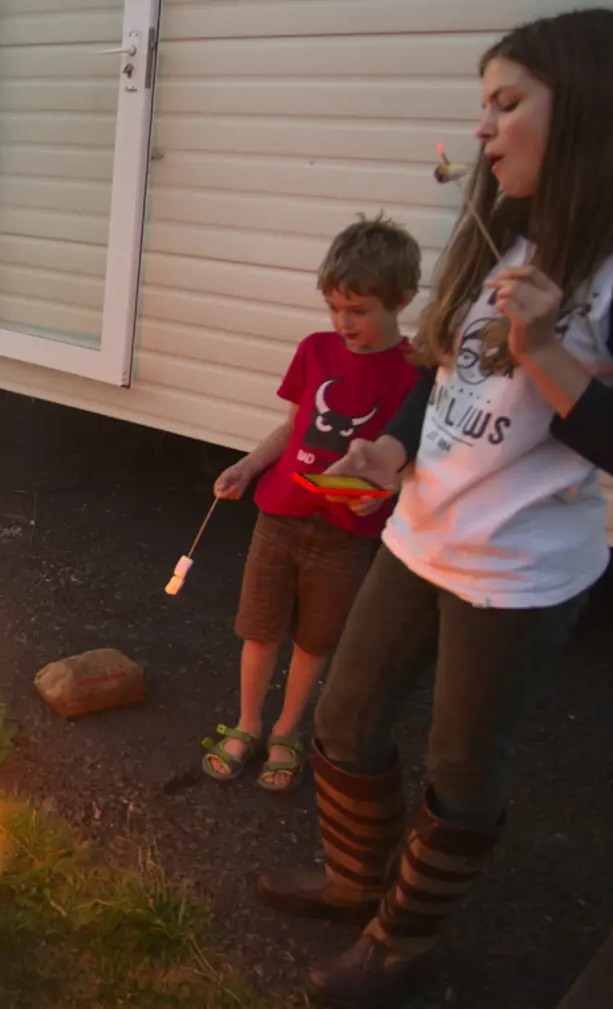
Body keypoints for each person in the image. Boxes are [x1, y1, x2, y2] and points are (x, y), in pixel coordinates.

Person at [255, 10, 613, 1005]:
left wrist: (546, 352)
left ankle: (400, 945)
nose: (485, 132)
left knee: (461, 766)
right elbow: (439, 367)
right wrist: (396, 443)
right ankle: (352, 884)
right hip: (419, 531)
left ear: (580, 110)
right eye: (483, 108)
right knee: (344, 719)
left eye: (506, 105)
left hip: (518, 571)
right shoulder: (501, 215)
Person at [203, 215, 424, 792]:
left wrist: (382, 496)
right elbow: (295, 425)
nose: (343, 324)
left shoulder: (413, 372)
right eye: (334, 309)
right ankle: (248, 723)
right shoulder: (316, 350)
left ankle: (285, 731)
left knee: (314, 640)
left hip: (344, 533)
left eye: (358, 311)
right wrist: (250, 466)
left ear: (401, 299)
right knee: (259, 629)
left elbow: (411, 462)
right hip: (279, 515)